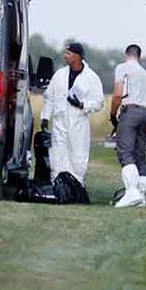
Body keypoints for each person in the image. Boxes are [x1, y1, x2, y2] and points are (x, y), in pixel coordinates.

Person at [40, 42, 104, 185]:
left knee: (78, 155)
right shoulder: (59, 75)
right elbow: (49, 96)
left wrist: (82, 105)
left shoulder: (91, 78)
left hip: (78, 122)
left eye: (68, 53)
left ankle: (77, 186)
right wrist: (45, 117)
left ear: (77, 56)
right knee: (58, 154)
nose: (65, 56)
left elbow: (99, 102)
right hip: (59, 121)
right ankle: (58, 185)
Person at [109, 43, 146, 207]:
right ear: (139, 56)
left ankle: (131, 193)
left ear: (126, 54)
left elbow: (117, 94)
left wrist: (112, 114)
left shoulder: (122, 68)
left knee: (126, 152)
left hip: (131, 112)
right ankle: (142, 197)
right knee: (140, 154)